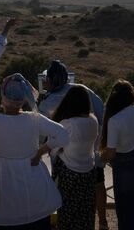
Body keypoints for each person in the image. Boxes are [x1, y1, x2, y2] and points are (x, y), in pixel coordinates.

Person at [0, 73, 68, 229]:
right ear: (23, 99)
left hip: (3, 179)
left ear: (3, 99)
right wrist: (41, 151)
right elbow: (63, 135)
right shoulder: (34, 119)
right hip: (33, 176)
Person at [37, 60, 108, 230]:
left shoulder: (48, 102)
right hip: (92, 152)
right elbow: (102, 113)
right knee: (94, 190)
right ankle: (103, 221)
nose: (45, 81)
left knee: (66, 196)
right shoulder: (82, 91)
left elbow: (46, 131)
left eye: (47, 78)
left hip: (65, 160)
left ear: (52, 80)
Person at [100, 80, 134, 230]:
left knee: (126, 211)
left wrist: (98, 158)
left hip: (123, 167)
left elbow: (111, 153)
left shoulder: (114, 121)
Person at [50, 86, 98, 230]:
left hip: (70, 173)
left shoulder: (68, 124)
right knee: (86, 211)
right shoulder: (93, 120)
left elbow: (54, 149)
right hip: (89, 171)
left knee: (68, 213)